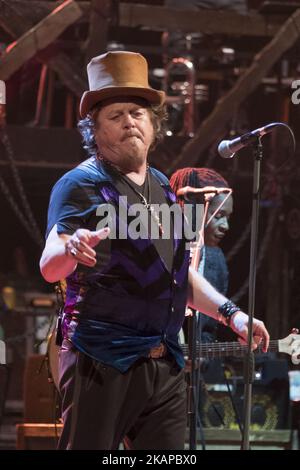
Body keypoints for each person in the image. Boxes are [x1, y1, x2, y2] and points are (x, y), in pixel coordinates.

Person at [39, 50, 269, 450]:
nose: (130, 121)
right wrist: (71, 249)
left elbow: (177, 274)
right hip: (101, 358)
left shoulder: (163, 187)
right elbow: (49, 264)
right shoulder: (79, 184)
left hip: (165, 364)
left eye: (138, 113)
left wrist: (233, 315)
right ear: (94, 130)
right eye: (116, 115)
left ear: (153, 125)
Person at [170, 167, 236, 343]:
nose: (225, 226)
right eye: (219, 215)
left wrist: (201, 356)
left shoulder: (216, 259)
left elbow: (208, 328)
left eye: (228, 218)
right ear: (194, 210)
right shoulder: (161, 248)